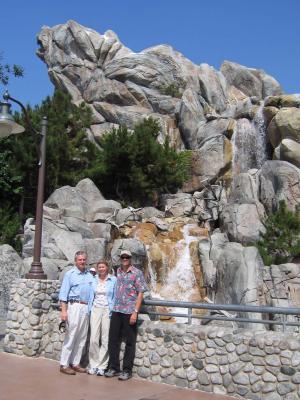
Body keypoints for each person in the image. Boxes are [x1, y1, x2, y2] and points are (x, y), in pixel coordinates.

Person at [105, 250, 148, 381]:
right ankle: (114, 367)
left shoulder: (137, 273)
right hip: (117, 310)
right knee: (113, 339)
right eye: (122, 257)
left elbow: (141, 292)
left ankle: (127, 370)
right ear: (120, 258)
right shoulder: (117, 271)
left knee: (130, 342)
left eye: (127, 257)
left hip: (129, 311)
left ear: (130, 258)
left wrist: (135, 312)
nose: (124, 259)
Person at [59, 251, 94, 375]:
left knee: (82, 336)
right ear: (76, 261)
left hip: (85, 308)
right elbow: (63, 294)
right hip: (73, 306)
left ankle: (75, 363)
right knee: (71, 334)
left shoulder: (90, 275)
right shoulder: (70, 274)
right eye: (80, 260)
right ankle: (64, 364)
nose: (82, 262)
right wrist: (64, 311)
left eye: (84, 259)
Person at [87, 260, 117, 376]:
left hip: (107, 310)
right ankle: (93, 364)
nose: (101, 269)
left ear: (107, 268)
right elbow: (90, 295)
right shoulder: (93, 280)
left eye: (103, 267)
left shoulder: (113, 280)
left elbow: (115, 296)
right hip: (95, 309)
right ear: (97, 268)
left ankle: (102, 365)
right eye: (99, 267)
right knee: (94, 338)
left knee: (105, 338)